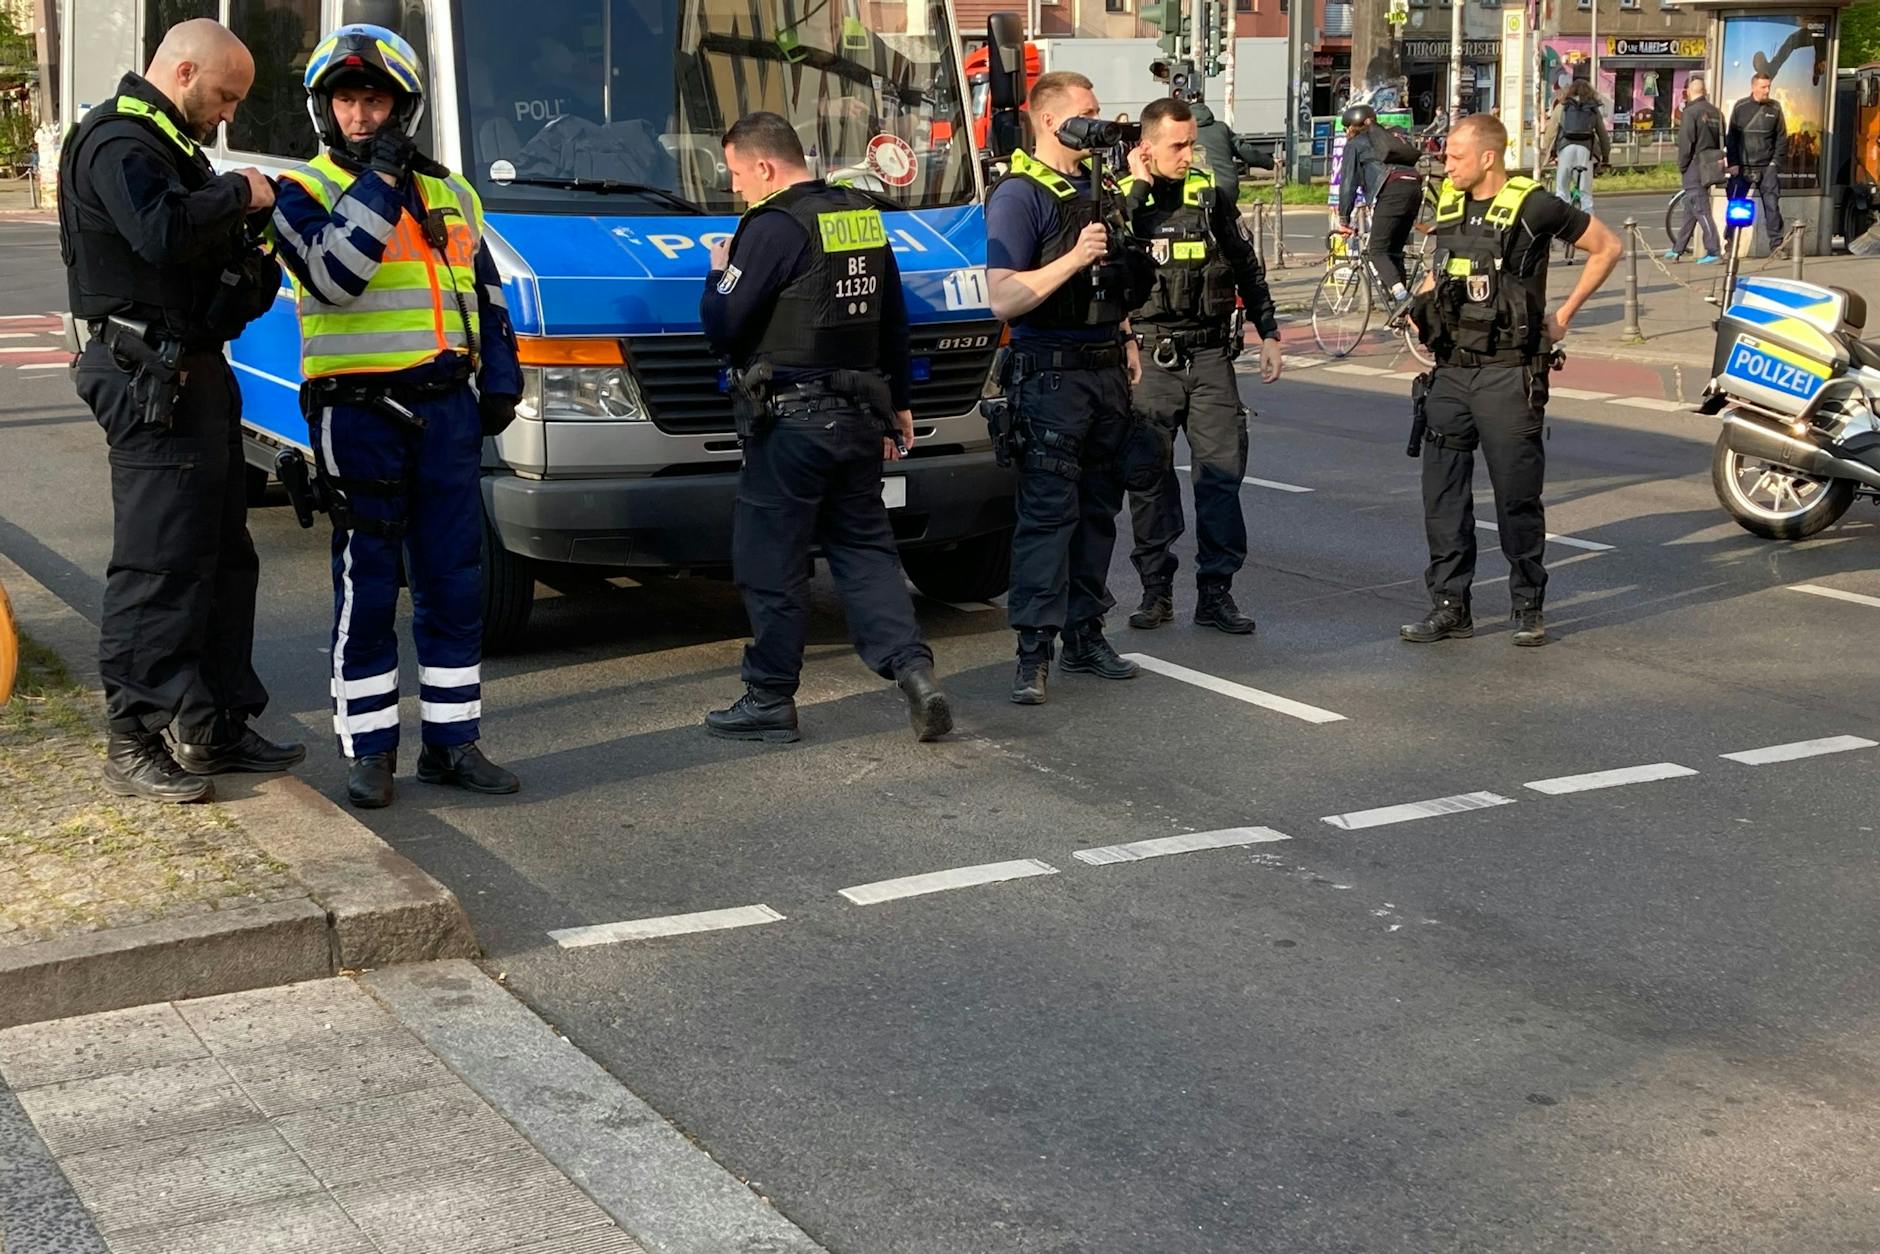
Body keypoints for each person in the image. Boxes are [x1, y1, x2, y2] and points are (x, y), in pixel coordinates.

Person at [271, 23, 522, 809]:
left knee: (454, 581)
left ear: (401, 106)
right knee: (371, 584)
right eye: (346, 98)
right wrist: (378, 184)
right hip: (359, 415)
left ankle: (453, 743)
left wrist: (501, 377)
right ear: (324, 107)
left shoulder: (451, 191)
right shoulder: (298, 194)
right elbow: (336, 276)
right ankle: (370, 751)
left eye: (373, 98)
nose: (359, 114)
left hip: (446, 408)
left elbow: (484, 293)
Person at [61, 19, 301, 804]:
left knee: (223, 558)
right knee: (160, 561)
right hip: (147, 374)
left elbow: (217, 265)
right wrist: (238, 192)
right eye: (226, 96)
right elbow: (163, 234)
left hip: (193, 369)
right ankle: (133, 734)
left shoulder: (171, 147)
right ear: (186, 70)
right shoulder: (119, 142)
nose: (228, 113)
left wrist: (249, 241)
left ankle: (213, 722)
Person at [700, 111, 951, 744]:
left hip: (792, 424)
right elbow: (893, 315)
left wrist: (719, 268)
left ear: (764, 166)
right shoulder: (859, 215)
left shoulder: (773, 225)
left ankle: (769, 698)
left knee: (771, 559)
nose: (736, 189)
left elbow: (724, 324)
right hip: (860, 417)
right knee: (866, 552)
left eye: (736, 174)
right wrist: (900, 402)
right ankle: (914, 672)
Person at [1403, 113, 1621, 648]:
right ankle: (1450, 606)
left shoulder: (1534, 204)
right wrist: (1420, 305)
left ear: (1487, 157)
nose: (1446, 164)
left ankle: (1528, 605)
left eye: (1455, 155)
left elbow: (1607, 247)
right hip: (1450, 372)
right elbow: (1441, 269)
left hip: (1508, 374)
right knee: (1444, 497)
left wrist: (1565, 313)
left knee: (1515, 498)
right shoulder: (1449, 205)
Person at [985, 71, 1145, 705]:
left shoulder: (1094, 189)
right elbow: (1002, 297)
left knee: (1098, 514)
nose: (1099, 121)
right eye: (1089, 112)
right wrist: (1073, 259)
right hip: (1049, 376)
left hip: (1104, 374)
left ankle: (1085, 635)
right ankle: (1033, 653)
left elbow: (1111, 274)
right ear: (1051, 121)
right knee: (1047, 518)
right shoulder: (1019, 194)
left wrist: (1127, 337)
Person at [1120, 97, 1282, 636]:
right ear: (1145, 147)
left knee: (1220, 477)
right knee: (1150, 480)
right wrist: (1138, 187)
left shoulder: (1209, 197)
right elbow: (1110, 257)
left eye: (1191, 143)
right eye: (1177, 145)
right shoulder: (1123, 202)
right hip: (1149, 357)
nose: (1189, 154)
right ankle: (1155, 591)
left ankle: (1216, 594)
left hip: (1210, 355)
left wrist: (1270, 332)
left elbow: (1244, 264)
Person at [1335, 102, 1423, 318]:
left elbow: (1347, 184)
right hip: (1414, 188)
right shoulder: (1389, 137)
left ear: (1352, 127)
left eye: (1346, 128)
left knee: (1377, 251)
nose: (1347, 133)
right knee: (1393, 251)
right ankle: (1402, 314)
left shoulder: (1355, 144)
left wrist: (1344, 220)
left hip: (1392, 191)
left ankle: (1403, 298)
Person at [1728, 72, 1787, 256]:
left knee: (1772, 207)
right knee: (1736, 208)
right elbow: (1732, 137)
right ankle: (1730, 246)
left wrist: (1774, 163)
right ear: (1753, 87)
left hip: (1766, 167)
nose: (1767, 90)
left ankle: (1777, 246)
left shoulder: (1775, 108)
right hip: (1743, 167)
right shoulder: (1741, 107)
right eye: (1763, 87)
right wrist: (1734, 163)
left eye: (1768, 86)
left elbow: (1781, 137)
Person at [1669, 76, 1725, 264]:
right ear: (1705, 91)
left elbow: (1686, 142)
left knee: (1700, 208)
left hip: (1694, 164)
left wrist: (1682, 165)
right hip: (1711, 164)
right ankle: (1678, 248)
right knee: (1691, 207)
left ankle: (1714, 249)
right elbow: (1721, 139)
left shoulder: (1691, 112)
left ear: (1689, 92)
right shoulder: (1716, 112)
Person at [1544, 80, 1608, 220]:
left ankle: (1562, 222)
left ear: (1570, 91)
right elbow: (1603, 135)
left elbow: (1551, 133)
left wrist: (1546, 152)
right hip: (1586, 150)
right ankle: (1590, 224)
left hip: (1565, 148)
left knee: (1562, 189)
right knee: (1586, 192)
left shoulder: (1562, 106)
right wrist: (1606, 157)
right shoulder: (1592, 108)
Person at [1188, 100, 1239, 204]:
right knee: (1228, 216)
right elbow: (1244, 150)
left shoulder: (1185, 131)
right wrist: (1269, 162)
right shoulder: (1221, 128)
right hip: (1227, 184)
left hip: (1198, 184)